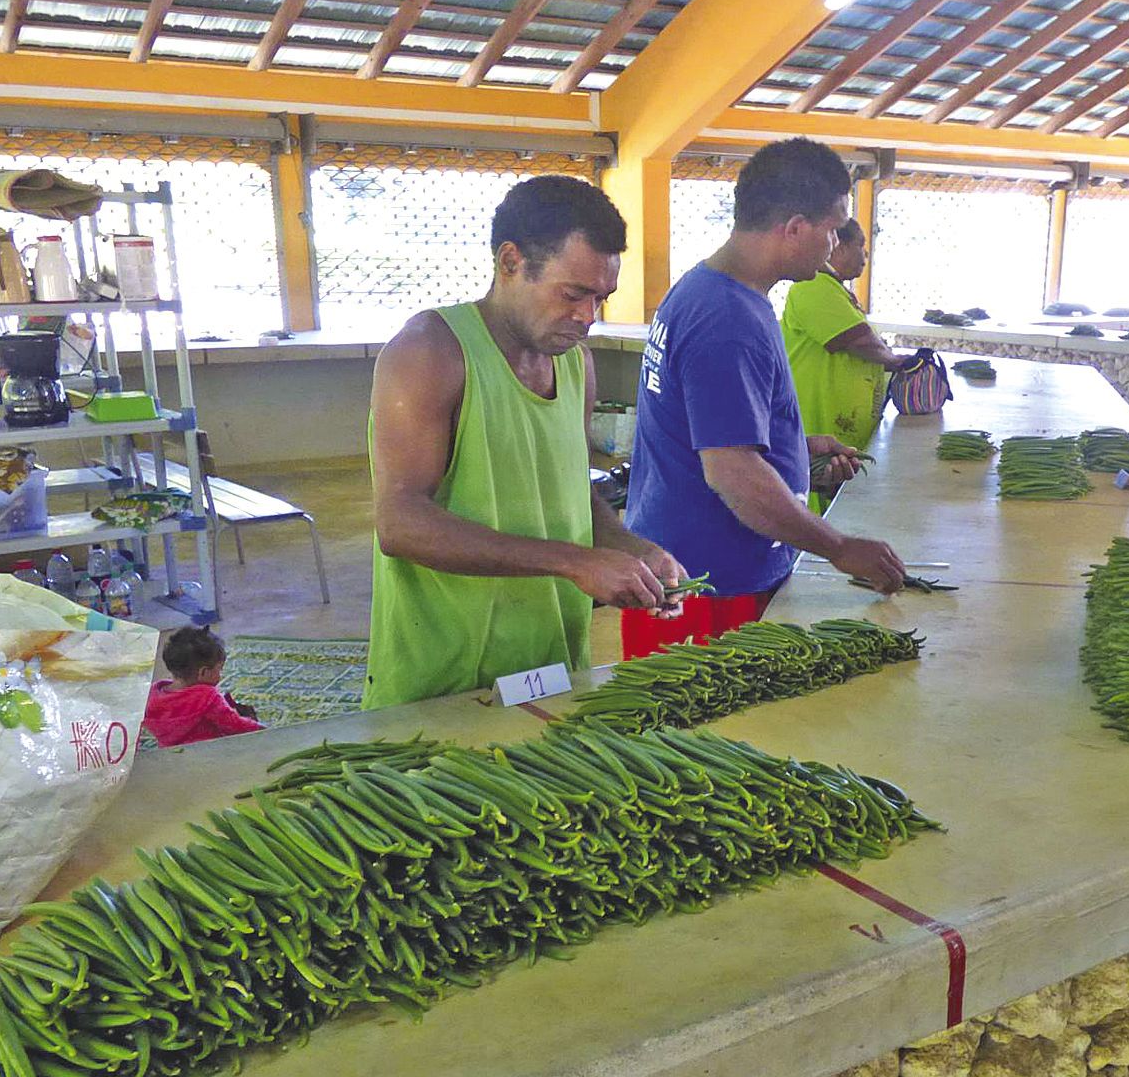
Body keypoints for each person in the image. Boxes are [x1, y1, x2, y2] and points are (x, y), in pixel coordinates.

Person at [365, 175, 688, 709]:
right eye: (573, 294)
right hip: (445, 678)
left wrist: (627, 548)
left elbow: (573, 490)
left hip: (553, 662)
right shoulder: (430, 352)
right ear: (510, 262)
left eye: (601, 298)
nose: (588, 317)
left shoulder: (576, 364)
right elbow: (400, 524)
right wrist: (574, 562)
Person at [625, 137, 907, 624]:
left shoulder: (707, 288)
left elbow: (711, 434)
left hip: (694, 563)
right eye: (833, 230)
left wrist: (795, 449)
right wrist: (839, 547)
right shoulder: (728, 319)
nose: (835, 245)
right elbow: (732, 473)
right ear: (794, 229)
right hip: (710, 584)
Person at [780, 218, 916, 455]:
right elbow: (859, 340)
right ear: (838, 246)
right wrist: (893, 360)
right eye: (860, 246)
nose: (865, 256)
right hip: (820, 431)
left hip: (841, 429)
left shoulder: (834, 289)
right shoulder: (812, 285)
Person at [144, 626, 262, 747]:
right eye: (219, 669)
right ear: (204, 672)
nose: (220, 674)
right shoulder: (207, 697)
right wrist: (261, 728)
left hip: (170, 753)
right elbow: (235, 726)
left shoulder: (152, 695)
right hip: (208, 751)